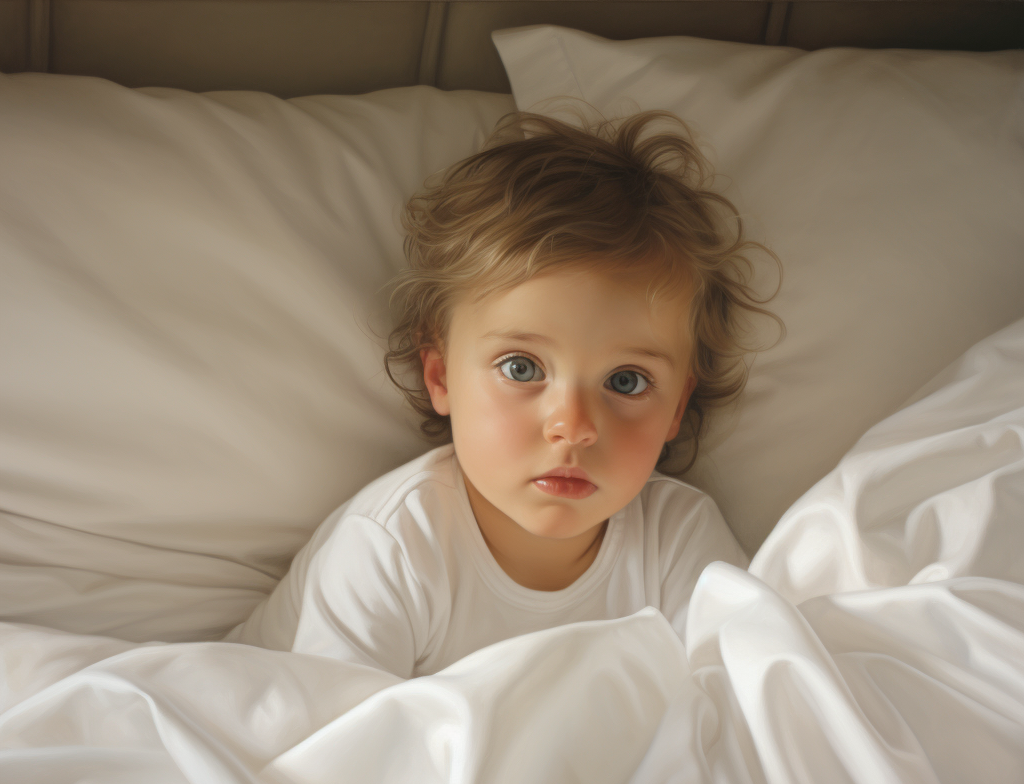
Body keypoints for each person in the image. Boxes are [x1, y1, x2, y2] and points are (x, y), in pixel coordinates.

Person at [226, 108, 780, 678]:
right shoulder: (395, 546)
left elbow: (744, 707)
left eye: (626, 381)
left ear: (677, 408)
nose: (573, 425)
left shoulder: (677, 538)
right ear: (440, 376)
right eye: (521, 368)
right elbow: (338, 747)